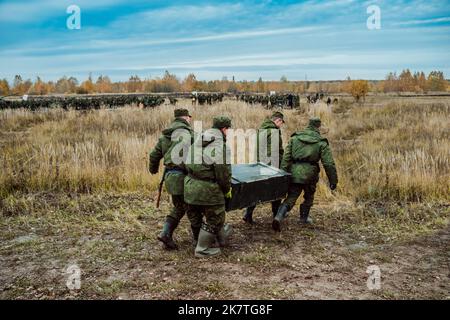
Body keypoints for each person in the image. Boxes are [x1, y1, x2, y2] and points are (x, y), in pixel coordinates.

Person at [272, 117, 338, 231]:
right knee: (309, 196)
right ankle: (304, 218)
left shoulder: (295, 138)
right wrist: (333, 181)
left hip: (294, 173)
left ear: (308, 125)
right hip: (310, 175)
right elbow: (329, 164)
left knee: (291, 197)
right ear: (318, 127)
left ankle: (278, 217)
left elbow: (286, 159)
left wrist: (282, 174)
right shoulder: (321, 143)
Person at [184, 116, 233, 257]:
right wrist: (226, 190)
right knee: (216, 217)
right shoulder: (220, 146)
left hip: (190, 186)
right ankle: (202, 249)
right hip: (208, 189)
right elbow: (223, 174)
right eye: (228, 129)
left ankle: (199, 240)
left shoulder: (199, 140)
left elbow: (187, 163)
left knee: (196, 215)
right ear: (224, 129)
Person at [149, 108, 193, 249]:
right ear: (186, 118)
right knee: (188, 207)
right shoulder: (188, 134)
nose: (190, 119)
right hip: (184, 177)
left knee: (180, 206)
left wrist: (153, 169)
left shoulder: (165, 136)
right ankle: (166, 234)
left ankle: (167, 233)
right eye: (189, 117)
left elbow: (153, 156)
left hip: (170, 177)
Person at [242, 111, 285, 224]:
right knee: (277, 190)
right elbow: (275, 151)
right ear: (278, 120)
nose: (281, 125)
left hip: (259, 164)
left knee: (257, 191)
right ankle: (276, 216)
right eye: (281, 123)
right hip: (271, 166)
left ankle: (248, 214)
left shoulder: (261, 129)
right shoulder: (274, 131)